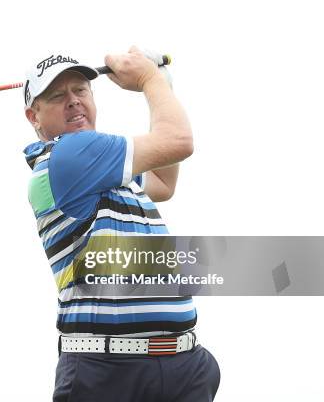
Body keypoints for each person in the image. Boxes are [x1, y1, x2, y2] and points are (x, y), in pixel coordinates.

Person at [23, 47, 221, 402]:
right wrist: (148, 80)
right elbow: (178, 142)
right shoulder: (67, 157)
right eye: (56, 96)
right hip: (108, 372)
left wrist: (164, 86)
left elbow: (163, 181)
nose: (73, 101)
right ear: (33, 117)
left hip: (181, 363)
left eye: (81, 90)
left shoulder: (102, 168)